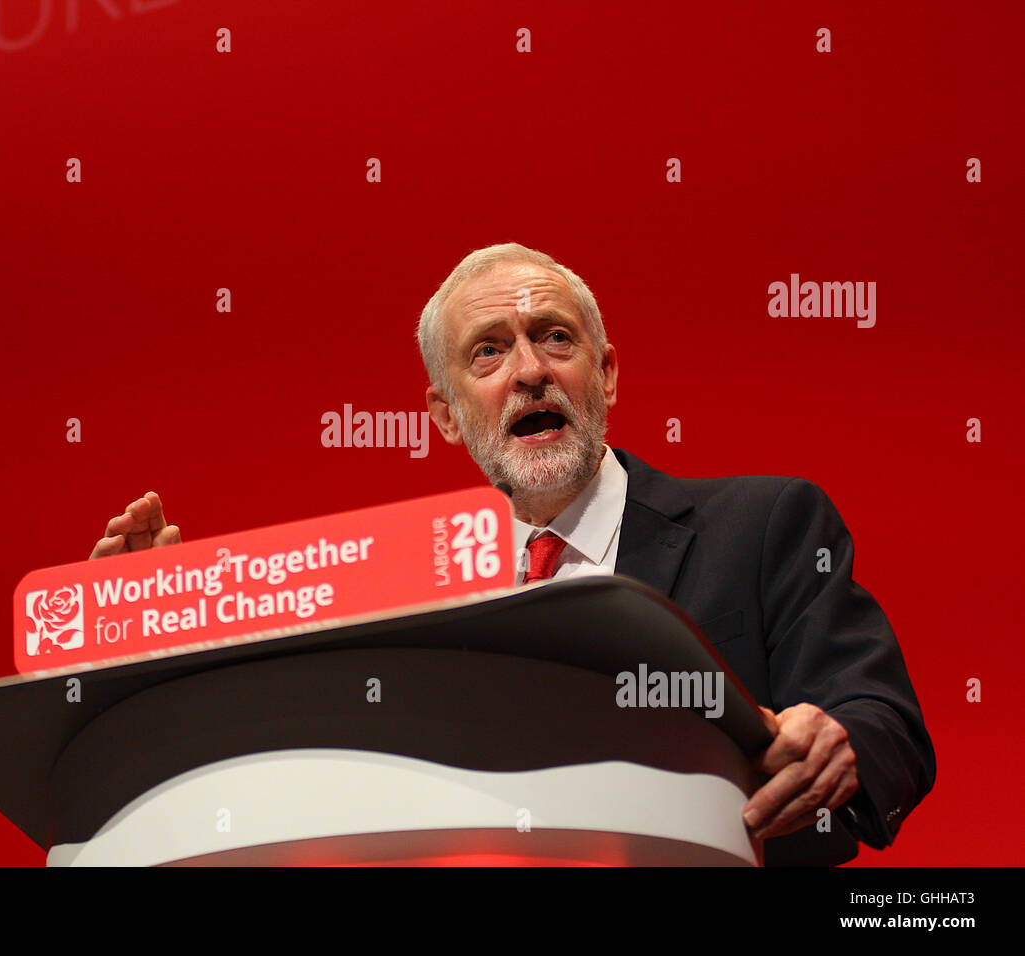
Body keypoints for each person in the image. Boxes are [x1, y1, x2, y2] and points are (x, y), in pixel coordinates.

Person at [89, 242, 935, 857]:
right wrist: (145, 635)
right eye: (488, 352)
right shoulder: (404, 593)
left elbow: (885, 722)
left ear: (604, 376)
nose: (529, 370)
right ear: (448, 414)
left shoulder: (763, 525)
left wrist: (842, 743)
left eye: (554, 338)